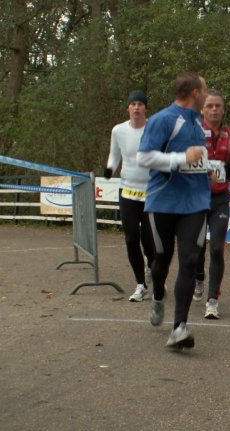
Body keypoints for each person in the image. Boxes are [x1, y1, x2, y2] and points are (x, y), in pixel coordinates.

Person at [136, 72, 209, 350]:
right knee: (161, 261)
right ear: (194, 93)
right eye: (203, 89)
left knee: (190, 259)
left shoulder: (198, 123)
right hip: (163, 202)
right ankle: (157, 295)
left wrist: (209, 170)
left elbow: (196, 161)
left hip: (195, 202)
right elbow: (144, 157)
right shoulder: (163, 120)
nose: (206, 93)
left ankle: (179, 327)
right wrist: (181, 158)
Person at [193, 89, 230, 319]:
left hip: (220, 199)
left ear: (223, 110)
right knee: (196, 250)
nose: (214, 109)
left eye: (218, 106)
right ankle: (198, 278)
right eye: (210, 106)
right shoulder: (192, 134)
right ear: (202, 110)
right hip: (194, 199)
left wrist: (227, 169)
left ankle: (212, 300)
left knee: (216, 248)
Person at [104, 90, 155, 302]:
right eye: (132, 104)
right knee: (131, 237)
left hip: (151, 192)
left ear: (145, 108)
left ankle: (152, 266)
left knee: (149, 239)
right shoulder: (118, 130)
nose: (136, 108)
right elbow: (115, 155)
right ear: (128, 108)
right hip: (127, 191)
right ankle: (140, 284)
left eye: (140, 104)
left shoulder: (154, 128)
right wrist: (109, 169)